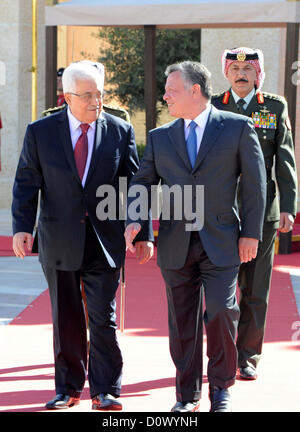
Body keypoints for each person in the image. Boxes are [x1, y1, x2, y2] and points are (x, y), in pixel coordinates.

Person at [124, 61, 266, 412]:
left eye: (172, 90)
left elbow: (255, 186)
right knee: (182, 321)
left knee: (220, 311)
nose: (166, 97)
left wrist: (251, 234)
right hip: (176, 243)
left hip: (223, 240)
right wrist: (136, 223)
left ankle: (221, 389)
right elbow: (142, 183)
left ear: (195, 91)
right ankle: (186, 396)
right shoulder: (160, 137)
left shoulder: (237, 127)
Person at [12, 61, 153, 411]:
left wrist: (143, 231)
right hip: (59, 238)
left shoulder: (119, 130)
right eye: (88, 95)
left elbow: (135, 185)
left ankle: (106, 390)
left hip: (105, 240)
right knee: (66, 317)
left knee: (104, 318)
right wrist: (21, 227)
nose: (96, 101)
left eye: (100, 94)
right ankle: (68, 389)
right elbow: (27, 182)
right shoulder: (40, 131)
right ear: (68, 96)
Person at [212, 47, 298, 380]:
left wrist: (290, 206)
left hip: (263, 211)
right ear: (227, 73)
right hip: (221, 212)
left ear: (257, 73)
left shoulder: (274, 106)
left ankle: (247, 356)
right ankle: (222, 352)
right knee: (222, 289)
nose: (241, 73)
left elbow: (286, 161)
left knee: (256, 291)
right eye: (235, 67)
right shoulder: (214, 106)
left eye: (248, 67)